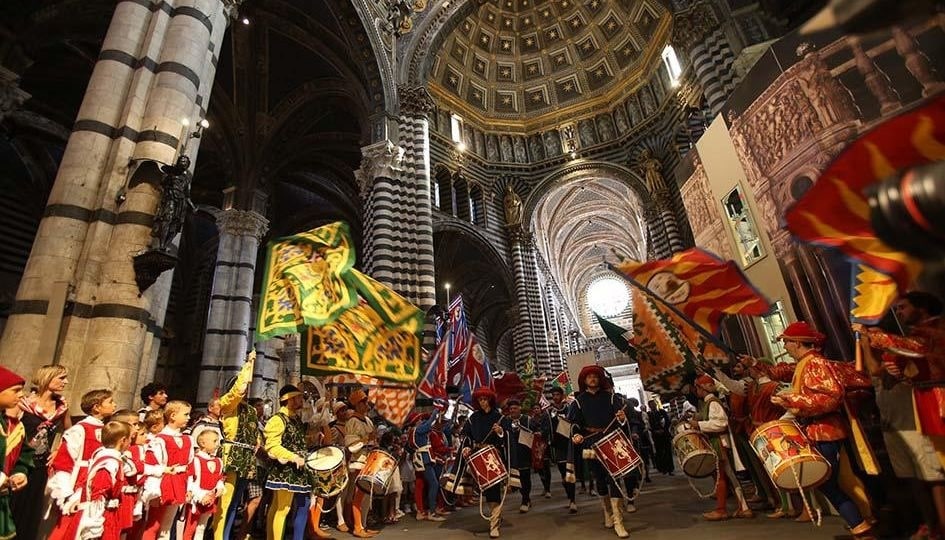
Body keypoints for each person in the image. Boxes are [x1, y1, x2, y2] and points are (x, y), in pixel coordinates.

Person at [760, 321, 875, 539]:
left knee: (827, 481)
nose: (785, 346)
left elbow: (830, 397)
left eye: (786, 341)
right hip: (817, 429)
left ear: (797, 343)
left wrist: (791, 399)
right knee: (837, 480)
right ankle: (862, 522)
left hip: (825, 429)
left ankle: (861, 526)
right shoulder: (806, 363)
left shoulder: (815, 363)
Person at [856, 292, 945, 539]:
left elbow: (915, 349)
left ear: (923, 307)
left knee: (935, 473)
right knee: (928, 476)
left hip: (935, 402)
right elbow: (879, 370)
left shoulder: (929, 334)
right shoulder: (912, 340)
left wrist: (869, 337)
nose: (900, 312)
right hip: (921, 407)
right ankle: (933, 526)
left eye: (903, 307)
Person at [568, 365, 630, 538]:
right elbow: (574, 423)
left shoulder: (611, 398)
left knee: (615, 479)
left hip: (611, 441)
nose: (593, 379)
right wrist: (577, 434)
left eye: (595, 376)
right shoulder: (578, 402)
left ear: (600, 379)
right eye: (589, 377)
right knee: (599, 479)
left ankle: (618, 520)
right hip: (591, 444)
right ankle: (606, 512)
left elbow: (621, 420)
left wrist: (623, 419)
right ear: (584, 380)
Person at [11, 364, 70, 540]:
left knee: (31, 507)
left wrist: (60, 449)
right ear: (48, 378)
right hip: (18, 462)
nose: (65, 382)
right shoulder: (24, 403)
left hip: (40, 464)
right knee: (13, 504)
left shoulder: (61, 406)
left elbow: (70, 431)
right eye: (61, 378)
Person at [48, 388, 117, 540]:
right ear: (96, 407)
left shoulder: (108, 430)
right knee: (67, 529)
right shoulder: (80, 429)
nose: (115, 405)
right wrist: (67, 494)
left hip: (97, 488)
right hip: (78, 486)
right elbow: (63, 463)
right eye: (110, 402)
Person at [690, 374, 753, 521]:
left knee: (724, 476)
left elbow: (721, 423)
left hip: (720, 443)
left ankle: (728, 509)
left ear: (702, 389)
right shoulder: (710, 403)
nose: (696, 391)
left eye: (697, 387)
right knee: (725, 476)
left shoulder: (712, 403)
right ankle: (740, 507)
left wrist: (699, 425)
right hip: (718, 443)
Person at [210, 351, 257, 540]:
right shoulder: (227, 404)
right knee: (225, 500)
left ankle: (228, 534)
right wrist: (248, 365)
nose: (245, 391)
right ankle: (219, 536)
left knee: (236, 500)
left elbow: (254, 431)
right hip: (232, 454)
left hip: (246, 457)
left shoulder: (251, 409)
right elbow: (238, 391)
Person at [264, 385, 312, 540]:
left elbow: (296, 441)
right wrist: (293, 457)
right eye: (298, 397)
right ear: (289, 399)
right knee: (282, 509)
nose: (301, 400)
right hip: (284, 470)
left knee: (278, 507)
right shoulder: (277, 419)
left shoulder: (295, 418)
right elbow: (272, 446)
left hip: (296, 469)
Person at [141, 400, 194, 540]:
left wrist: (189, 488)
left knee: (167, 527)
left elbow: (190, 466)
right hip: (163, 484)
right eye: (186, 414)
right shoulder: (159, 440)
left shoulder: (188, 440)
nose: (189, 417)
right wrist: (153, 492)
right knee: (154, 525)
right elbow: (151, 464)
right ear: (173, 416)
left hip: (179, 483)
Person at [462, 387, 506, 538]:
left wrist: (500, 431)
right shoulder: (473, 418)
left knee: (493, 489)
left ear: (490, 400)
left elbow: (507, 437)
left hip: (493, 456)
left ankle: (494, 524)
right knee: (487, 490)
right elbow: (466, 435)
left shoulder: (498, 417)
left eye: (485, 399)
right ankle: (496, 516)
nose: (482, 402)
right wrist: (467, 446)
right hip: (478, 457)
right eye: (480, 399)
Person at [79, 420, 133, 540]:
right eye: (130, 439)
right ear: (123, 440)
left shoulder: (113, 459)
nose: (131, 443)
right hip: (103, 515)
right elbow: (99, 491)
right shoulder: (109, 462)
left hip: (110, 513)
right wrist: (95, 525)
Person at [0, 366, 30, 540]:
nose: (20, 395)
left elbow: (24, 454)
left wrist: (21, 472)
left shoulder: (15, 426)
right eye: (15, 390)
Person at [346, 389, 379, 538]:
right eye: (364, 402)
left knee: (366, 497)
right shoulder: (352, 421)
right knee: (358, 496)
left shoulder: (368, 420)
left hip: (369, 461)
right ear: (357, 405)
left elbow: (372, 440)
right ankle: (357, 527)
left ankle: (363, 525)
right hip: (358, 462)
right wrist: (367, 439)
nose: (367, 405)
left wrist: (373, 440)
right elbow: (351, 446)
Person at [184, 430, 225, 540]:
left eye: (218, 441)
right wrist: (199, 495)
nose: (217, 444)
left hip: (210, 499)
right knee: (190, 526)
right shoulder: (196, 460)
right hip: (197, 499)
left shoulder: (218, 461)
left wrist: (219, 487)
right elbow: (191, 479)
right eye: (214, 441)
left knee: (202, 526)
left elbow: (219, 477)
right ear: (203, 443)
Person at [501, 399, 534, 513]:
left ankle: (525, 499)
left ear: (520, 408)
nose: (512, 411)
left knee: (526, 478)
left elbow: (535, 432)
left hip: (525, 453)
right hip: (512, 455)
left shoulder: (527, 420)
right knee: (517, 478)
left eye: (515, 408)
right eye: (510, 409)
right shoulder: (505, 421)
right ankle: (525, 498)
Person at [548, 387, 577, 512]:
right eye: (553, 395)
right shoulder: (549, 412)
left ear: (562, 395)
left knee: (571, 473)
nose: (555, 397)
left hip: (570, 444)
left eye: (557, 394)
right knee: (564, 476)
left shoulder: (569, 408)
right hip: (558, 446)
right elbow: (546, 428)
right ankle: (569, 495)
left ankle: (573, 500)